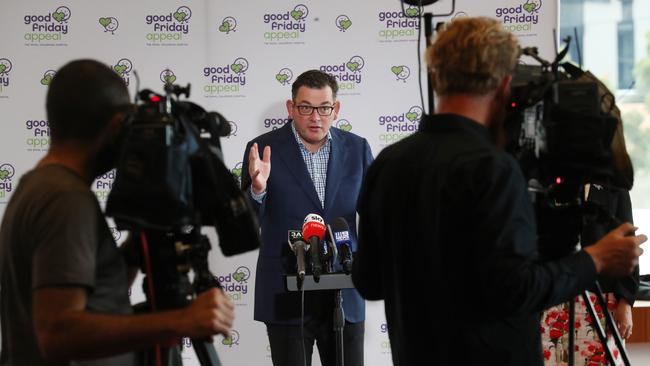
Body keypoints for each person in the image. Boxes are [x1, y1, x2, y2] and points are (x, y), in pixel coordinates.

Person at [351, 17, 646, 366]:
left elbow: (368, 283)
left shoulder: (389, 162)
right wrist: (596, 258)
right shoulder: (494, 168)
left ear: (435, 78)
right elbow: (515, 291)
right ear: (506, 85)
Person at [0, 59, 234, 366]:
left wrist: (135, 251)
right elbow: (58, 333)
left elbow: (94, 299)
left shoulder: (40, 186)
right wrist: (183, 321)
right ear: (116, 127)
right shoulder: (65, 199)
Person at [241, 69, 373, 366]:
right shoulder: (262, 149)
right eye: (305, 108)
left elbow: (375, 214)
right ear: (291, 108)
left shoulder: (358, 149)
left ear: (335, 109)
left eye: (324, 108)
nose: (315, 117)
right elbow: (246, 224)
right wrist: (258, 190)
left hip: (344, 290)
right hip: (287, 290)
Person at [540, 102, 639, 364]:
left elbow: (626, 240)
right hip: (553, 295)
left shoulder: (612, 182)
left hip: (601, 299)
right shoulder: (545, 178)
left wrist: (625, 302)